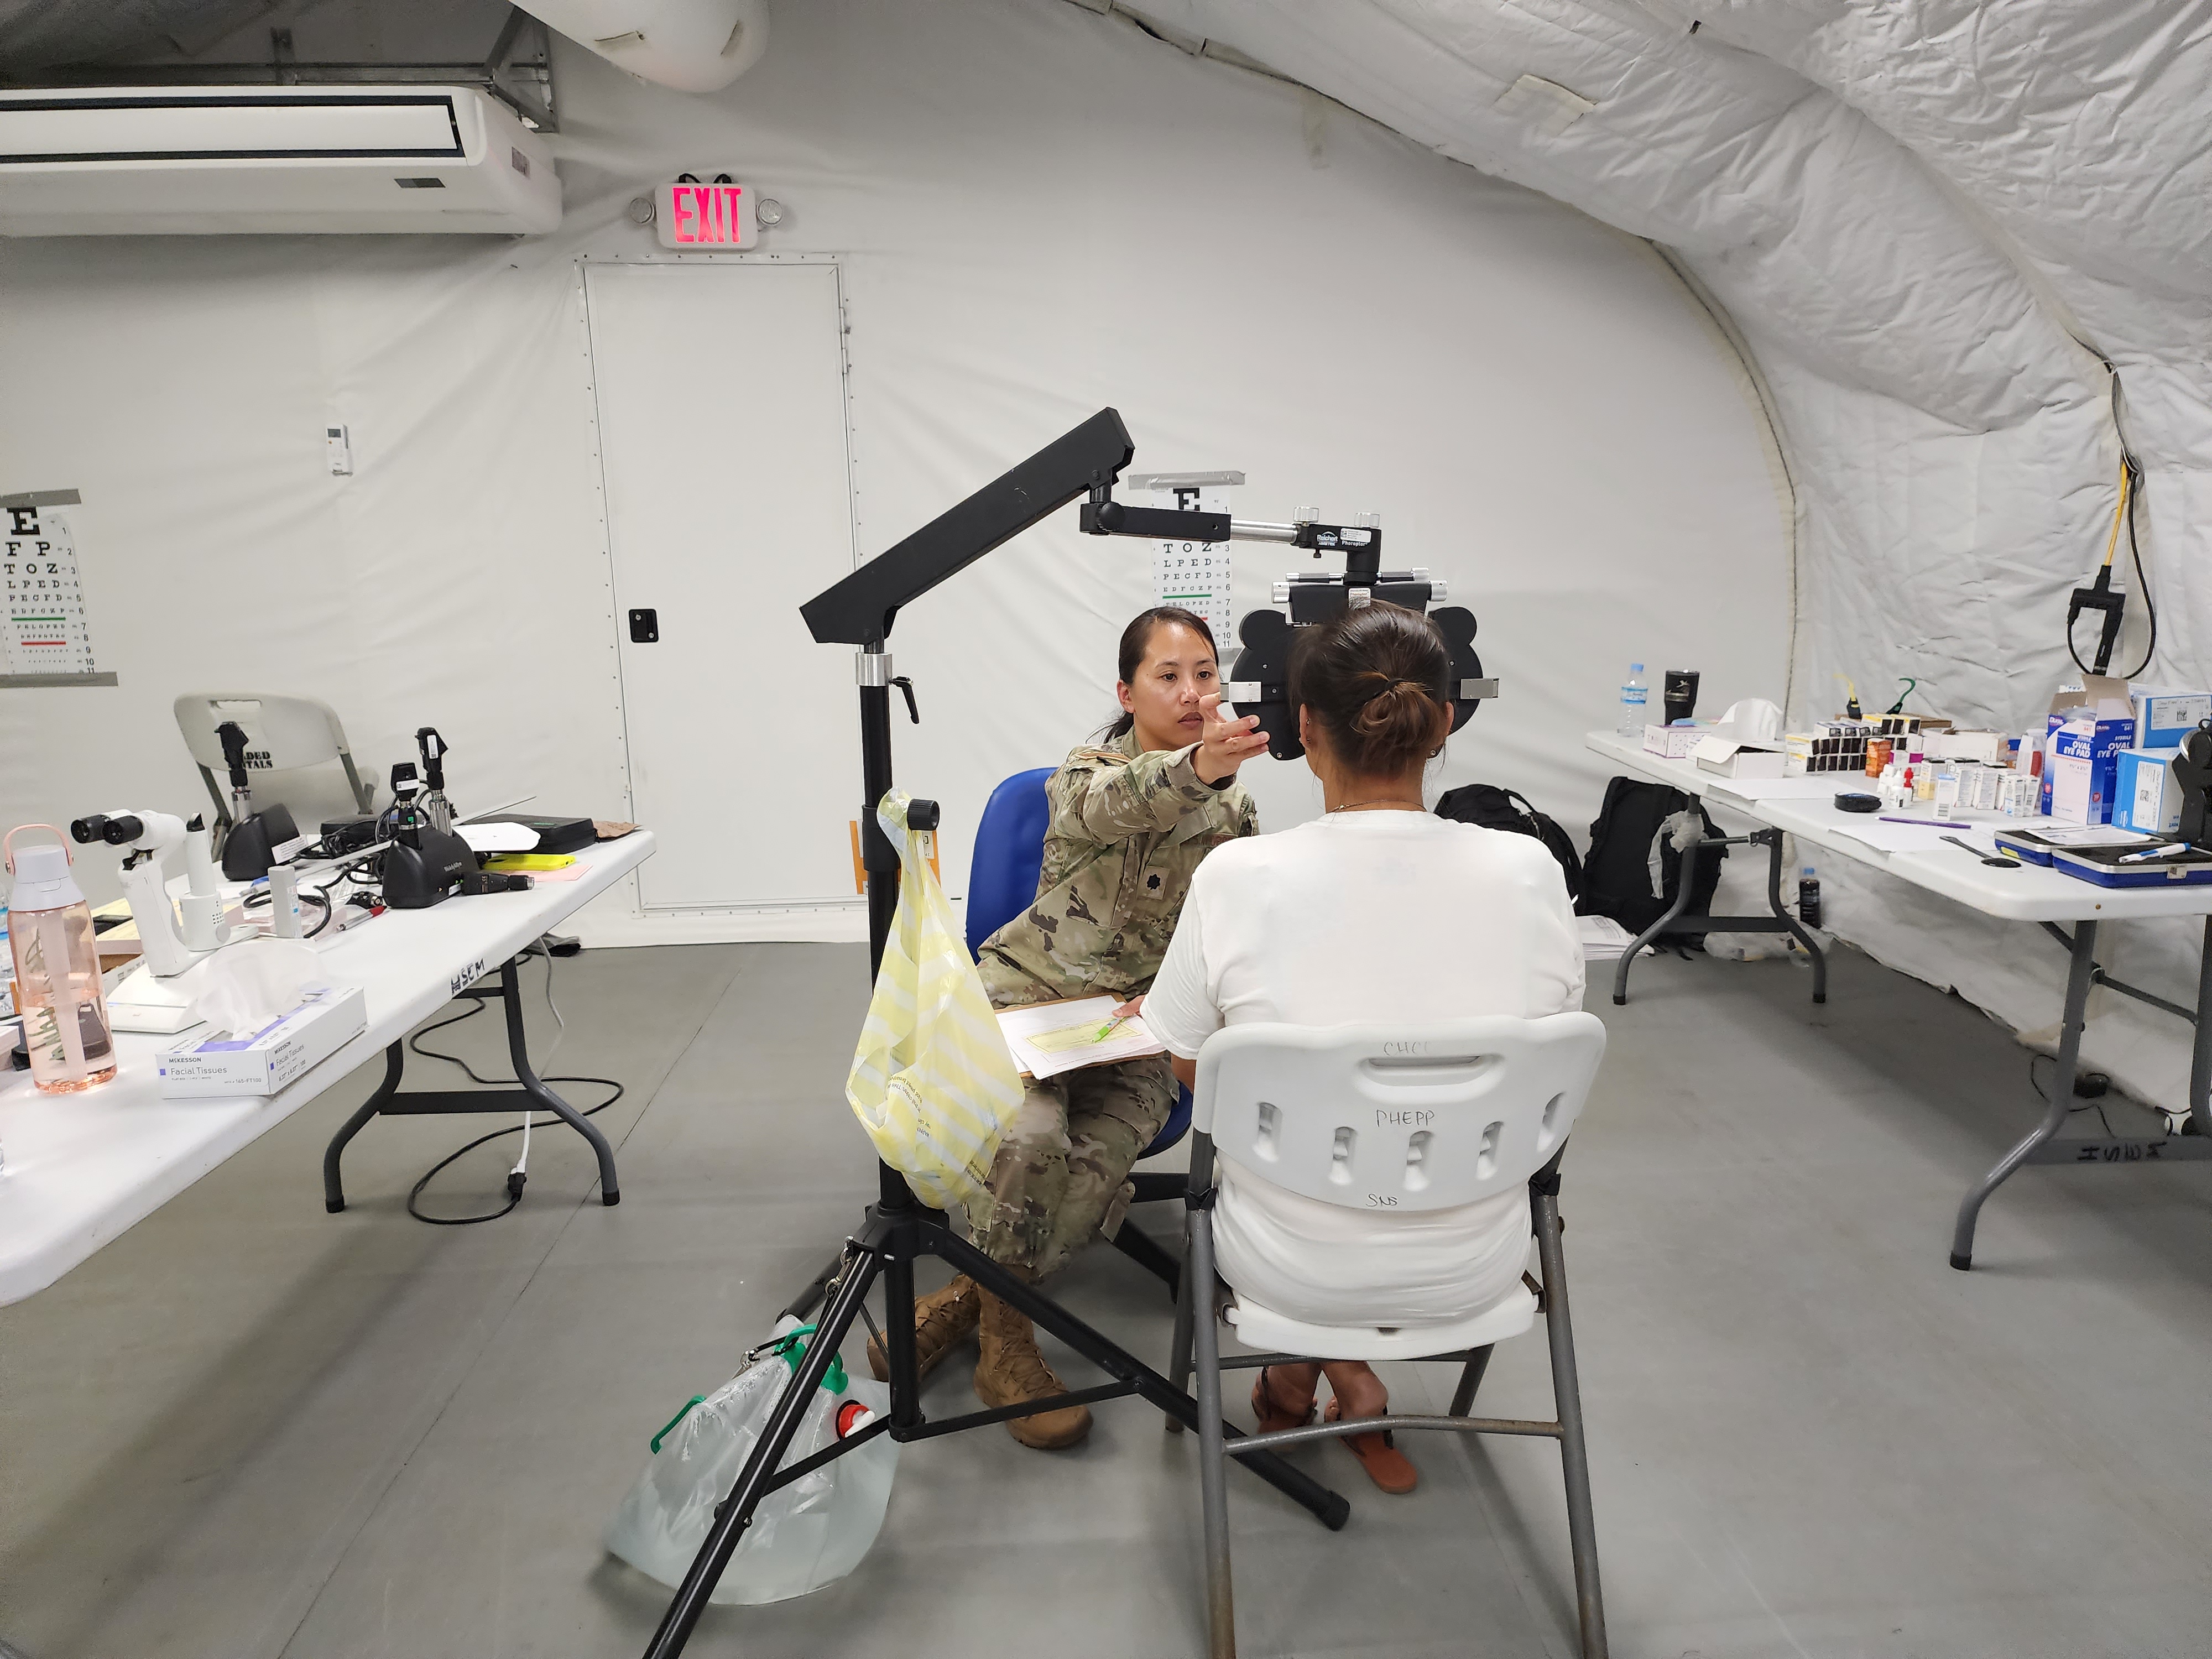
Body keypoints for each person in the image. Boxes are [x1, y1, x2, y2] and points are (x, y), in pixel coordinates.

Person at [1141, 601, 1583, 1495]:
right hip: (1475, 1265)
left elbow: (1194, 1070)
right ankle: (1318, 1380)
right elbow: (1548, 1063)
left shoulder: (1239, 878)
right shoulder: (1530, 872)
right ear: (1445, 722)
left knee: (1291, 1158)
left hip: (1289, 1264)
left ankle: (1293, 1379)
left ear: (1304, 728)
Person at [866, 605, 1268, 1449]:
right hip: (1028, 1005)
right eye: (1168, 676)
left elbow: (1228, 932)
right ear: (1127, 693)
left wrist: (1176, 1006)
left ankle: (969, 1305)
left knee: (1091, 1172)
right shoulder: (1086, 777)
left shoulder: (1234, 812)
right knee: (1030, 1140)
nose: (1192, 692)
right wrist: (1200, 765)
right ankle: (1010, 1348)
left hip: (1134, 1032)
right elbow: (1125, 804)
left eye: (1204, 674)